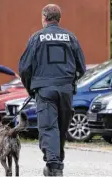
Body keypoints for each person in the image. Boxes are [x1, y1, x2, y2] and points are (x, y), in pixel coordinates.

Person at [18, 4, 86, 176]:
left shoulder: (36, 38)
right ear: (59, 18)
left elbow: (24, 68)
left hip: (45, 89)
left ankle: (54, 166)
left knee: (49, 127)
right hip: (65, 89)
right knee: (61, 126)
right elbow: (82, 67)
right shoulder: (71, 37)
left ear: (44, 18)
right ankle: (56, 162)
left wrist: (31, 88)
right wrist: (70, 82)